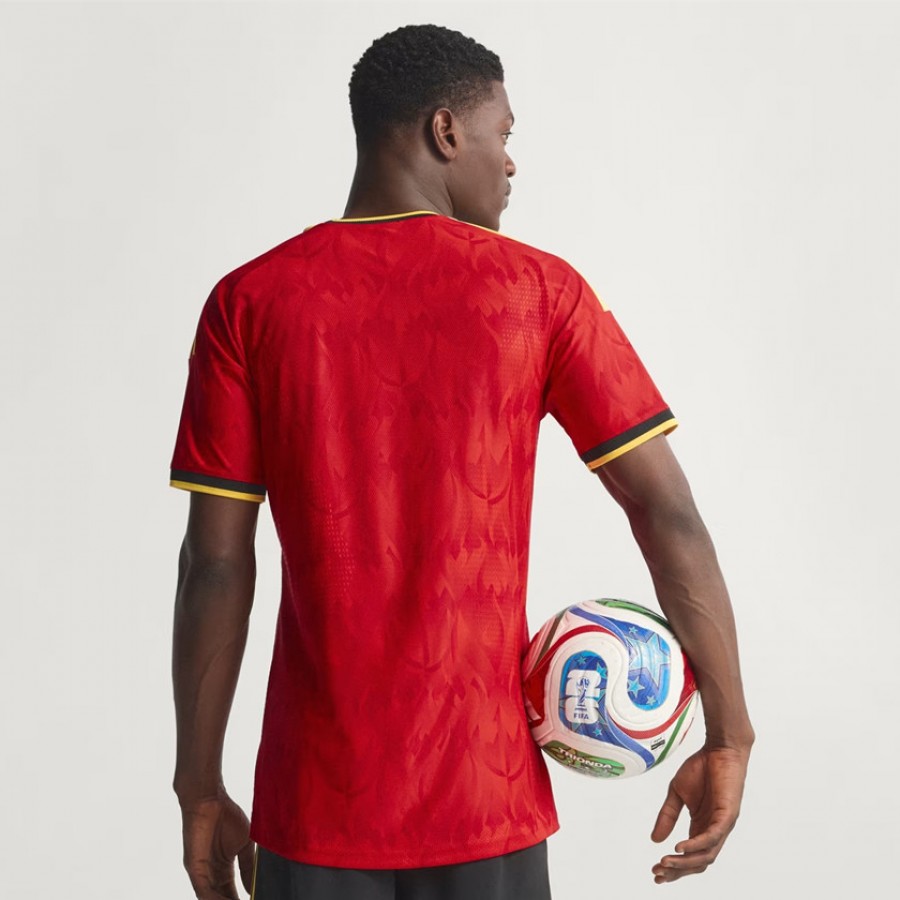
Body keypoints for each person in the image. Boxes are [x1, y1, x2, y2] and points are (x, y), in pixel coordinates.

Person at [170, 23, 754, 900]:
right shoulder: (538, 292)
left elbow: (214, 564)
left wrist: (199, 782)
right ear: (446, 131)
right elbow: (665, 512)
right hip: (487, 797)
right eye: (503, 134)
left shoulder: (249, 302)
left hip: (315, 800)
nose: (511, 162)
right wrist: (730, 732)